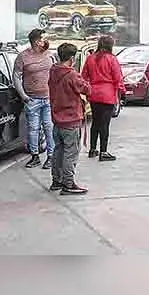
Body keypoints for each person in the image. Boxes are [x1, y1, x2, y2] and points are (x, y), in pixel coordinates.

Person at [48, 43, 91, 194]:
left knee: (58, 150)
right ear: (72, 58)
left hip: (57, 118)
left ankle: (56, 180)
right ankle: (68, 184)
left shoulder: (53, 71)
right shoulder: (71, 74)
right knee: (71, 153)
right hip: (70, 120)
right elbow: (86, 89)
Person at [13, 28, 55, 169]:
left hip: (48, 98)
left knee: (49, 127)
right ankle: (35, 156)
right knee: (33, 129)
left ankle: (51, 156)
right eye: (44, 38)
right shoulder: (23, 57)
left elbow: (55, 73)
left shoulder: (49, 54)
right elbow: (16, 77)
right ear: (37, 42)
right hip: (32, 99)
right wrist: (23, 96)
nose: (46, 40)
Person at [81, 35, 124, 162]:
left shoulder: (90, 58)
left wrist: (87, 90)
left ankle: (92, 149)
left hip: (94, 94)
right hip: (108, 94)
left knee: (95, 122)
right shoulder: (112, 59)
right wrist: (121, 92)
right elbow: (118, 78)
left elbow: (83, 76)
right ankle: (104, 152)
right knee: (105, 124)